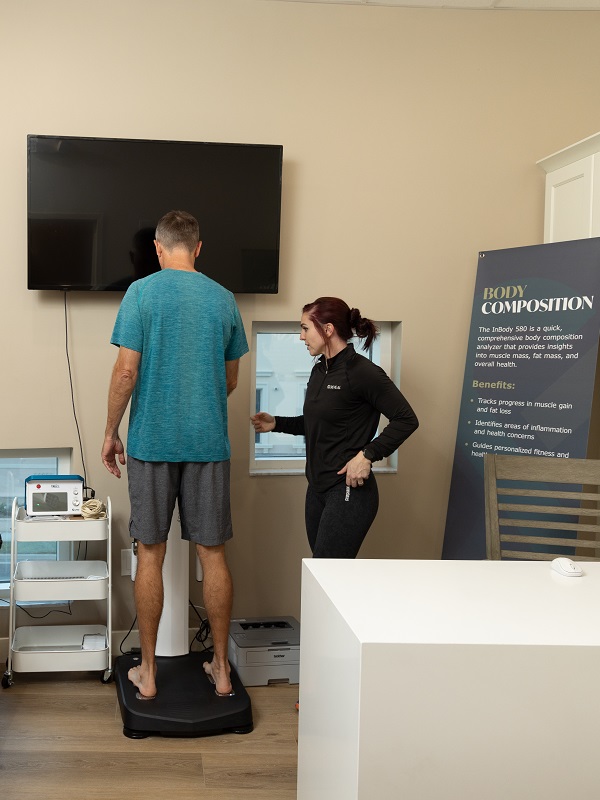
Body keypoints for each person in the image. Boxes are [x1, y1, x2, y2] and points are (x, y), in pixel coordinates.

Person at [101, 210, 248, 700]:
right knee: (214, 554)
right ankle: (222, 670)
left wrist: (110, 431)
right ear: (198, 248)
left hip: (150, 445)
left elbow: (125, 374)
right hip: (209, 445)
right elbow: (230, 380)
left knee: (150, 553)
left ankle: (147, 674)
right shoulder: (224, 299)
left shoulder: (141, 292)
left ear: (159, 250)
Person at [251, 297, 418, 559]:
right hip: (317, 489)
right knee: (320, 575)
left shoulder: (362, 372)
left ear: (327, 330)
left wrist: (367, 455)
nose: (300, 336)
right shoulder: (319, 370)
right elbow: (321, 424)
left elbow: (406, 419)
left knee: (329, 575)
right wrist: (277, 423)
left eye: (305, 328)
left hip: (348, 488)